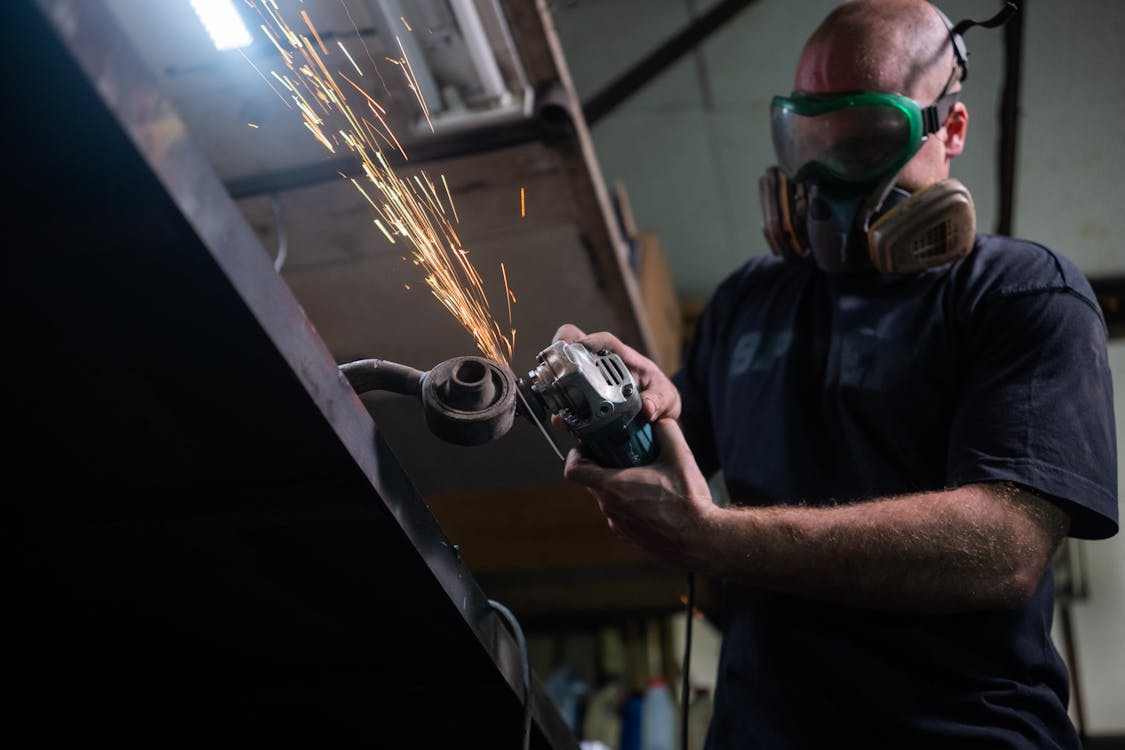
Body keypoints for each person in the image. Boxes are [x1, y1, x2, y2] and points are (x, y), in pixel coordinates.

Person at [555, 1, 1118, 748]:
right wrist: (620, 406)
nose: (822, 176)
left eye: (863, 140)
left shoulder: (1018, 291)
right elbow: (672, 456)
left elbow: (1003, 548)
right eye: (807, 138)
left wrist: (716, 539)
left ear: (948, 130)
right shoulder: (746, 300)